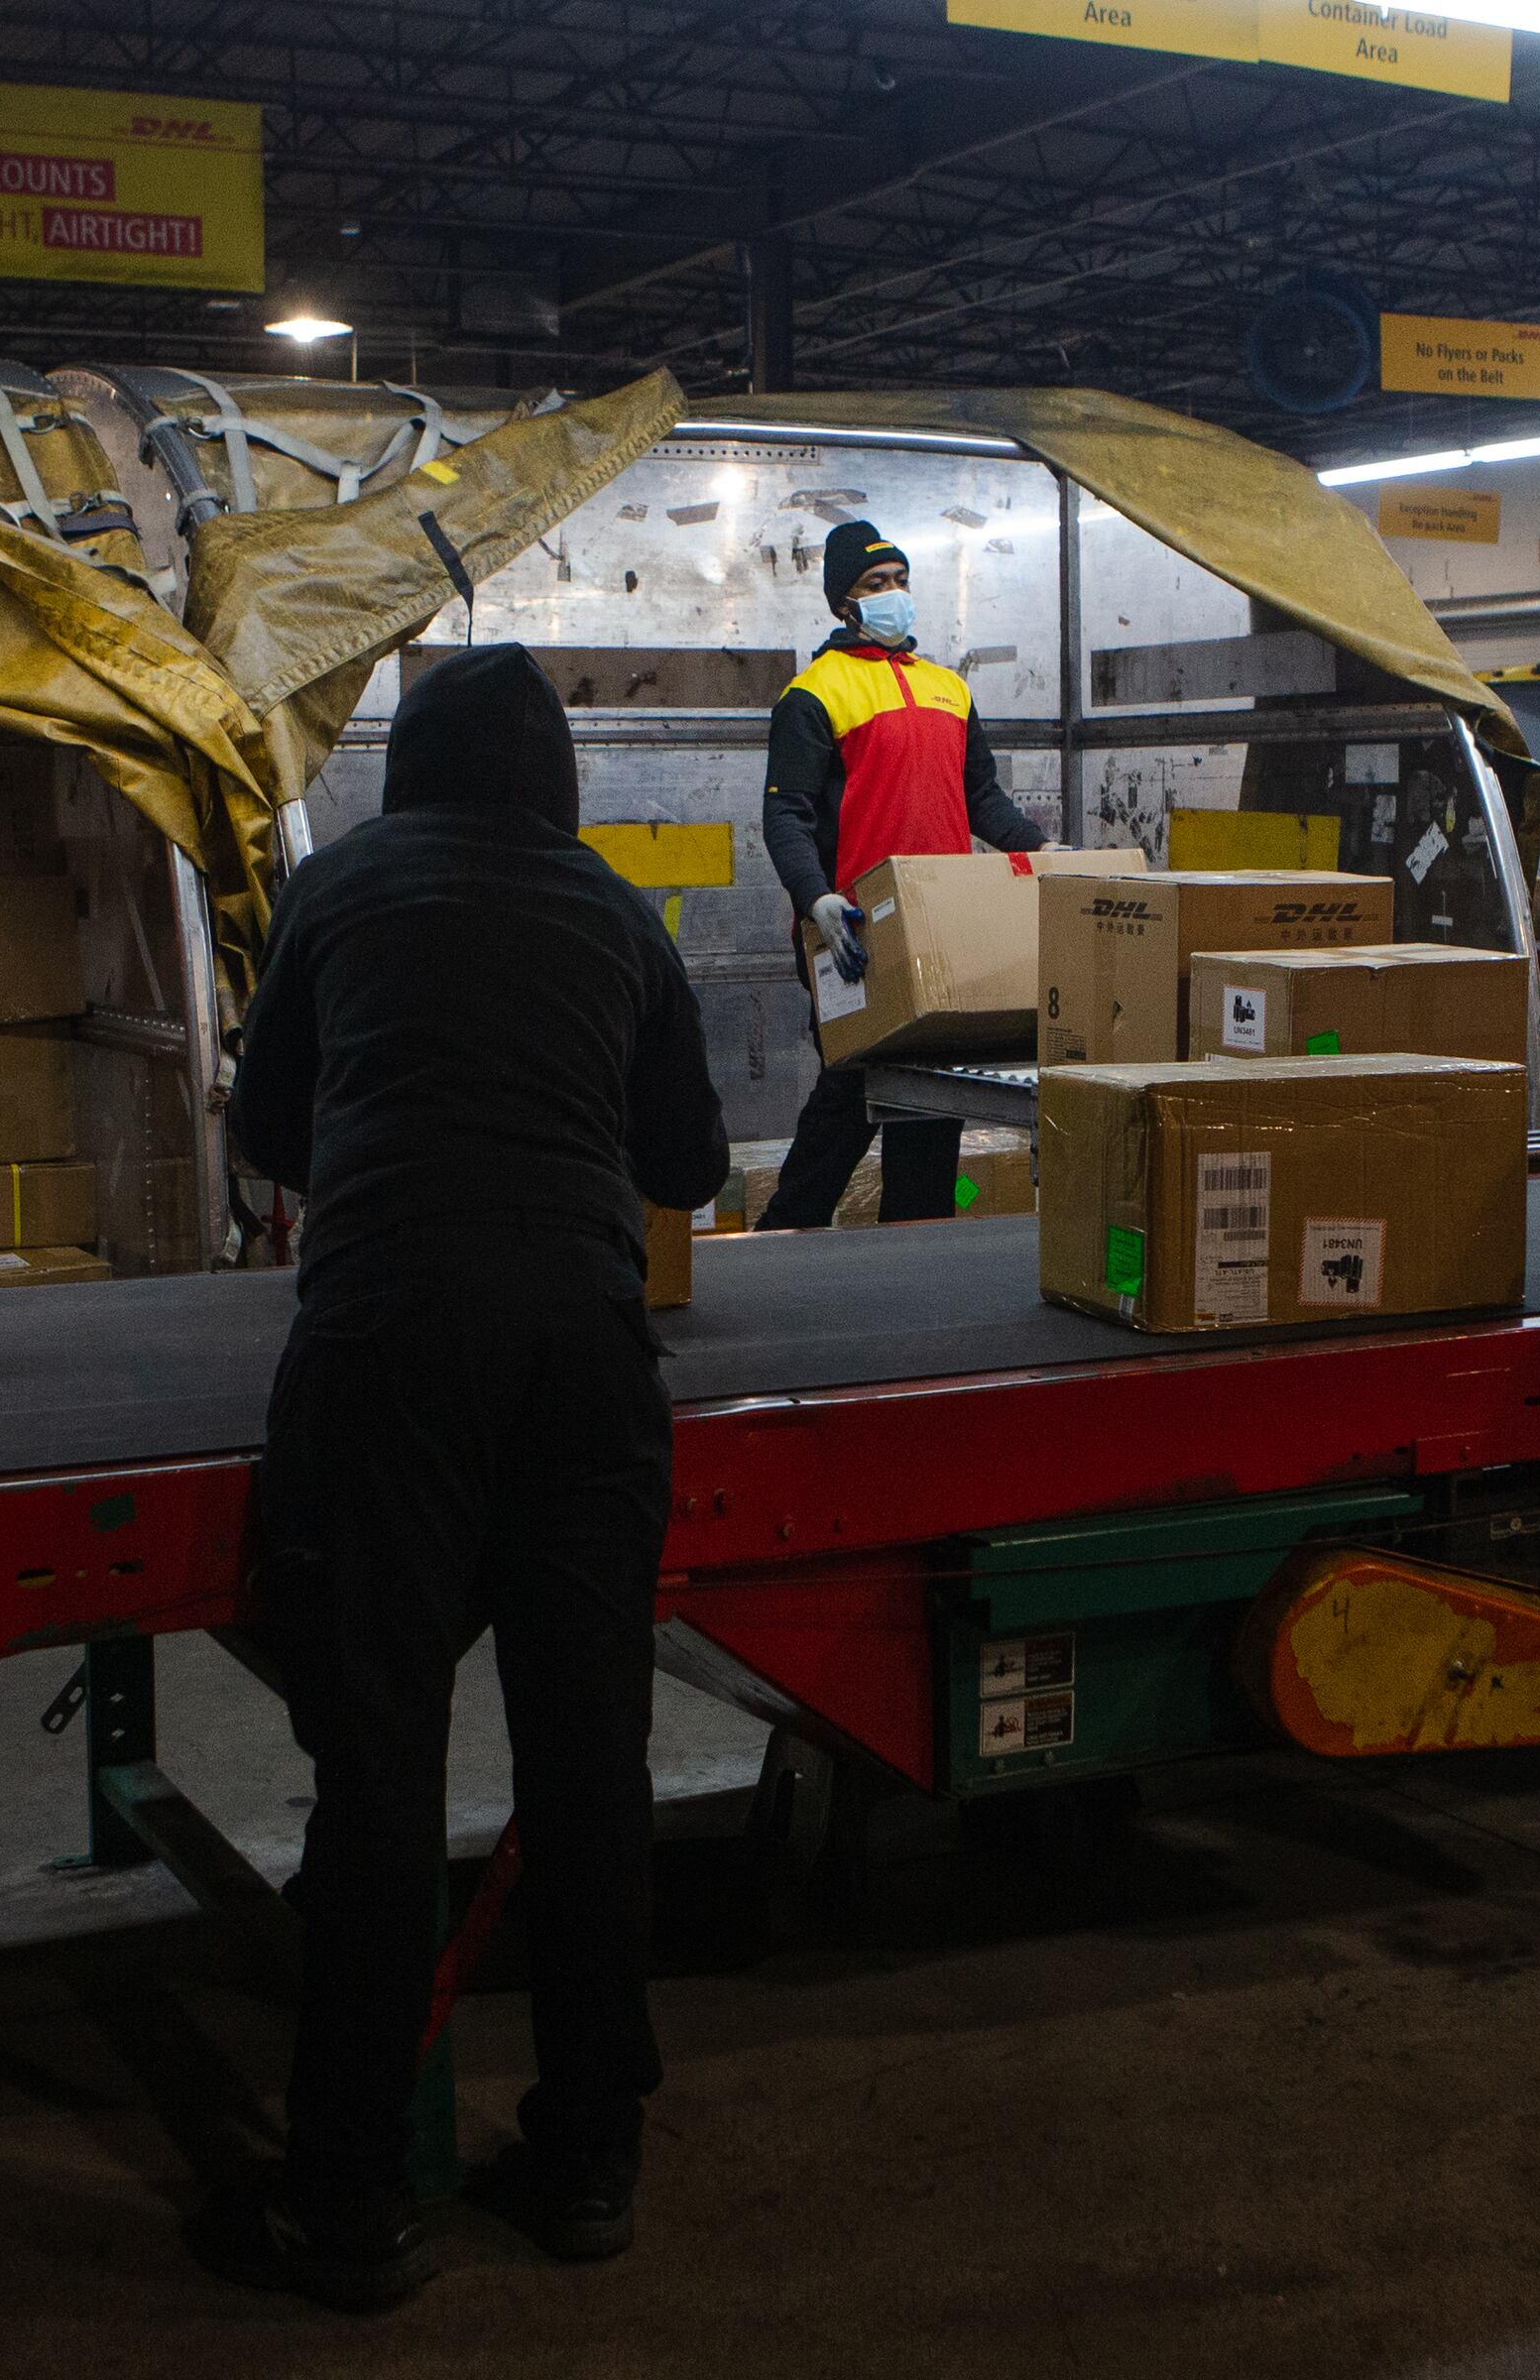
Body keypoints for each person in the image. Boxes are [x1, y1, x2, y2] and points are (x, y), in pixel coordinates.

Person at [224, 643, 729, 2314]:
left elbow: (267, 1129)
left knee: (380, 1775)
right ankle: (588, 2161)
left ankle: (352, 2200)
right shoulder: (618, 915)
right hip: (585, 1355)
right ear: (557, 777)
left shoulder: (341, 889)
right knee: (590, 1768)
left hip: (388, 1347)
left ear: (411, 771)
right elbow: (689, 1165)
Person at [755, 518, 1045, 1229]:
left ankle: (915, 1254)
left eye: (900, 580)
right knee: (848, 1100)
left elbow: (982, 798)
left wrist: (1044, 850)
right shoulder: (814, 695)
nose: (893, 593)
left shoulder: (948, 689)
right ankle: (781, 1242)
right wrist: (815, 900)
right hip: (855, 933)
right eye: (875, 583)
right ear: (843, 603)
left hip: (944, 933)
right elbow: (786, 814)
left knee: (931, 1108)